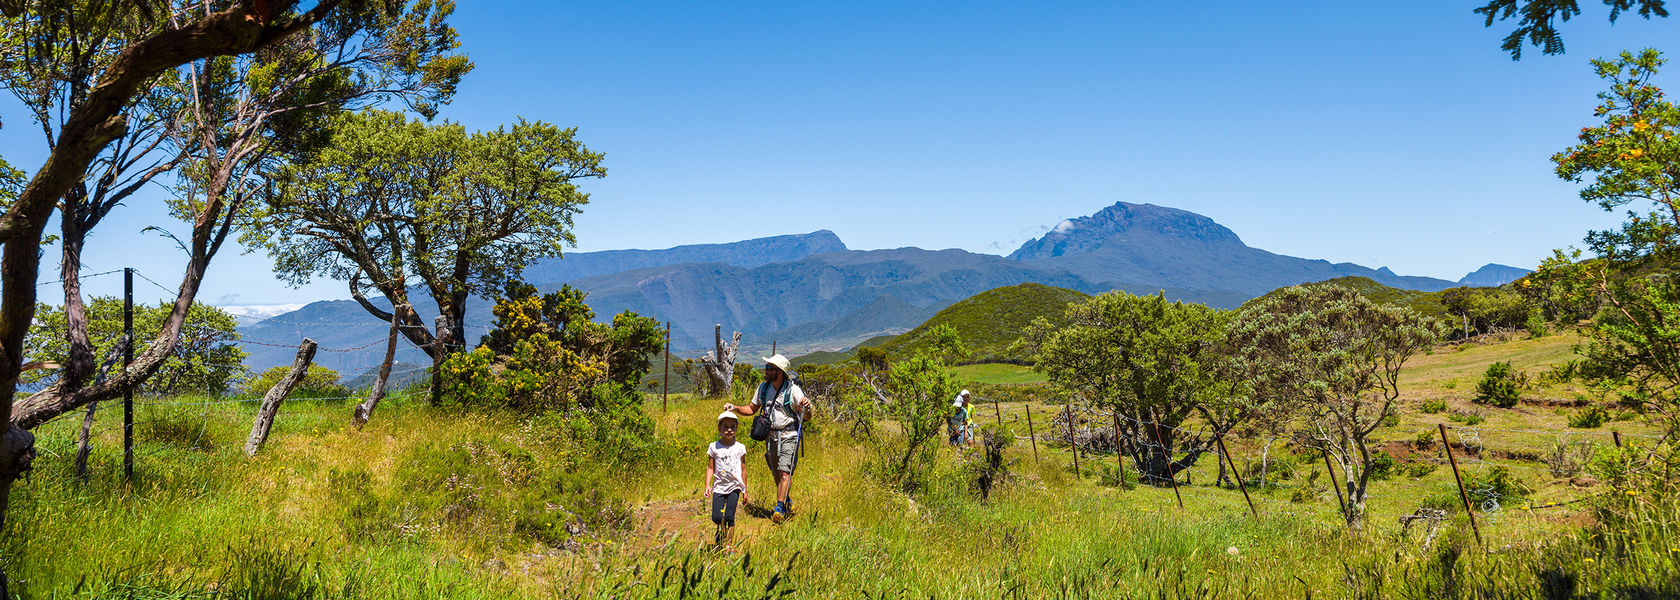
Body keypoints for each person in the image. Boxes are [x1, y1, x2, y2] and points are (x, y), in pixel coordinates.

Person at [724, 353, 812, 524]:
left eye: (769, 368)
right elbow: (751, 409)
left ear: (779, 372)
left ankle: (779, 508)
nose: (766, 370)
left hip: (789, 435)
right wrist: (734, 408)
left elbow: (806, 417)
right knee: (776, 473)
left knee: (784, 471)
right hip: (770, 437)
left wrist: (807, 408)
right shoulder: (763, 389)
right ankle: (786, 501)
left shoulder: (793, 390)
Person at [704, 411, 749, 545]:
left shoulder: (740, 448)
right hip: (719, 487)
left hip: (734, 487)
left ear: (736, 428)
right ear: (719, 428)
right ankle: (720, 532)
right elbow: (710, 467)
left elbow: (743, 469)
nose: (729, 430)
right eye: (725, 427)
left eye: (732, 427)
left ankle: (728, 546)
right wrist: (708, 485)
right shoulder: (714, 447)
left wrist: (745, 490)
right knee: (717, 517)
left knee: (729, 517)